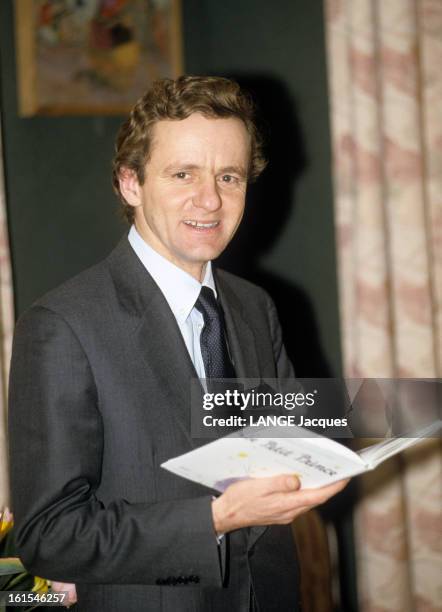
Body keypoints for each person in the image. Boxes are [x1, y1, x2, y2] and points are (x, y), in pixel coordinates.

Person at [8, 76, 347, 612]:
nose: (209, 199)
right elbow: (49, 535)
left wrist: (360, 428)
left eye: (228, 176)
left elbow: (278, 434)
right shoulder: (61, 326)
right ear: (130, 184)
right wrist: (217, 519)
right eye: (183, 173)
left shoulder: (254, 306)